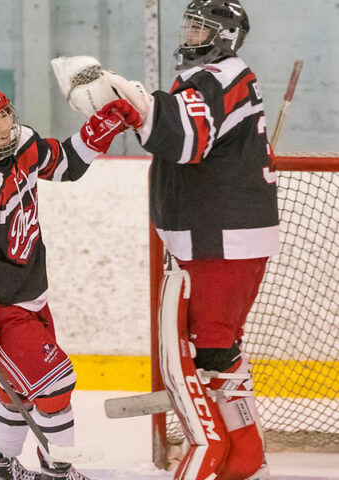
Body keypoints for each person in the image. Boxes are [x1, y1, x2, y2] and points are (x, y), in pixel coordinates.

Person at [0, 81, 141, 480]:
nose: (1, 126)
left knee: (20, 389)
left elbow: (65, 163)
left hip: (31, 293)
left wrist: (104, 126)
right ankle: (59, 471)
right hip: (0, 306)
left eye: (2, 114)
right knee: (54, 385)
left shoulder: (24, 144)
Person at [133, 1, 279, 480]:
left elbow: (185, 140)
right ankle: (244, 455)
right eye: (189, 25)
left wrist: (133, 101)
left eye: (201, 27)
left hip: (223, 236)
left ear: (227, 36)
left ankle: (214, 455)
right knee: (218, 352)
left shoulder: (218, 77)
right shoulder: (213, 78)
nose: (190, 33)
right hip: (219, 235)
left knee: (209, 353)